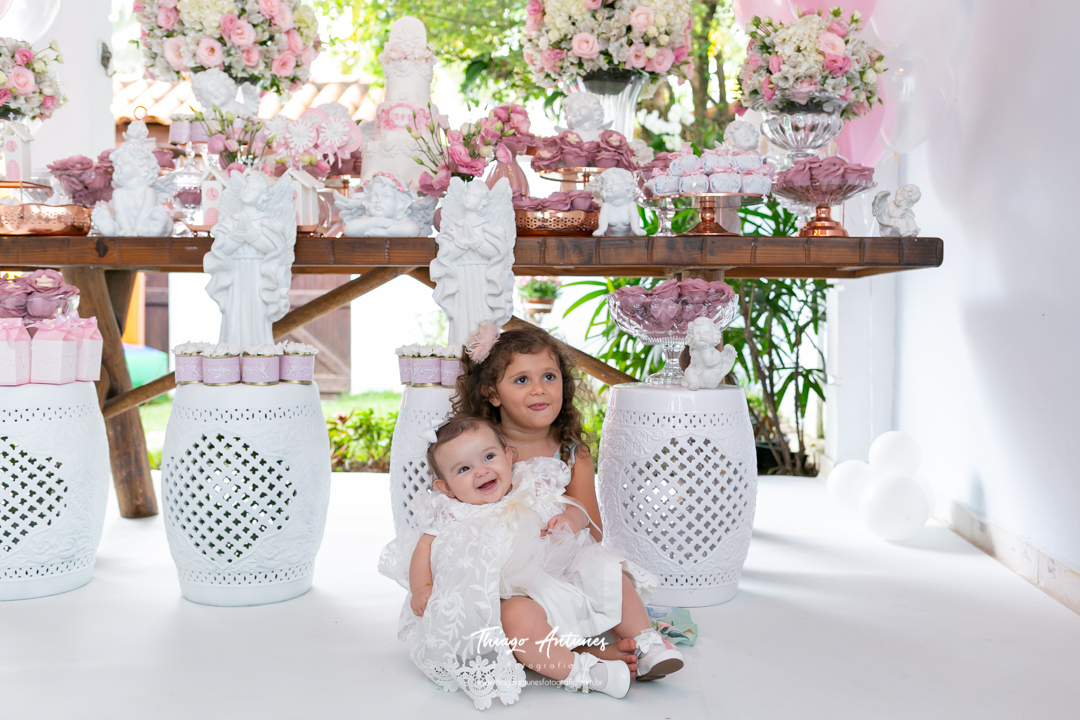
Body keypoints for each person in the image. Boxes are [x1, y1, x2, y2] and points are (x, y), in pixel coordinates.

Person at [392, 414, 684, 707]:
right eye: (464, 468)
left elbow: (578, 510)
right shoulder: (448, 511)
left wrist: (571, 518)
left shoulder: (529, 484)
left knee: (607, 571)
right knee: (516, 619)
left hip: (558, 579)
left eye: (489, 457)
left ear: (508, 457)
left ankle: (648, 644)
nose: (481, 471)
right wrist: (422, 587)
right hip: (505, 596)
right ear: (446, 487)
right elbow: (423, 550)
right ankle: (584, 671)